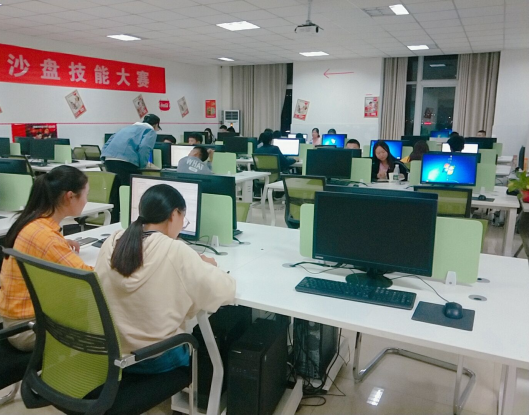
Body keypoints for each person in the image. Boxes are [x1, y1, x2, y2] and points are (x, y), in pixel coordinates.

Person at [95, 184, 235, 374]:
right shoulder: (175, 251)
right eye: (183, 219)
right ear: (174, 214)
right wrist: (208, 266)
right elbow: (224, 291)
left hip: (111, 354)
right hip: (155, 358)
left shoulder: (113, 241)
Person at [0, 166, 93, 352]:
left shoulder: (36, 222)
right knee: (100, 311)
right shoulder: (47, 238)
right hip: (27, 330)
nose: (87, 201)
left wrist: (62, 243)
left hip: (16, 319)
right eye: (86, 195)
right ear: (70, 197)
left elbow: (43, 245)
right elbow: (90, 278)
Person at [101, 114, 161, 186]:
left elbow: (107, 143)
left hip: (109, 160)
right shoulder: (150, 131)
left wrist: (103, 158)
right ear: (156, 125)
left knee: (115, 188)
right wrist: (142, 166)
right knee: (131, 188)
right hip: (126, 162)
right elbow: (144, 148)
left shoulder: (125, 128)